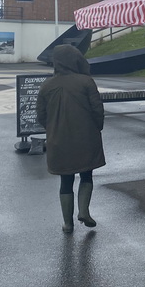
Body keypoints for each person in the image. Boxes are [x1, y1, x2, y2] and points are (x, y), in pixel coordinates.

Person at [36, 45, 105, 234]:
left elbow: (41, 115)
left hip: (59, 139)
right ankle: (84, 211)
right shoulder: (86, 82)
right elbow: (97, 109)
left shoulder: (46, 85)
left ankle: (67, 223)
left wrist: (52, 129)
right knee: (86, 174)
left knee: (65, 181)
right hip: (86, 136)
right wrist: (97, 127)